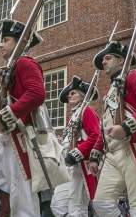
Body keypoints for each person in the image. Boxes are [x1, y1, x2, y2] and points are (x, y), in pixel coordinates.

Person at [0, 19, 47, 216]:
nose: (0, 44)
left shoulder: (24, 62)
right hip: (4, 141)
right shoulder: (12, 68)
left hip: (19, 140)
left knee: (23, 205)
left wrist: (3, 118)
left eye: (6, 40)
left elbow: (37, 93)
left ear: (20, 42)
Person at [86, 41, 136, 216]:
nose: (103, 62)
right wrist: (95, 155)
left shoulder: (133, 76)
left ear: (121, 60)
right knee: (101, 203)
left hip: (134, 148)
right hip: (112, 153)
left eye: (108, 58)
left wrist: (126, 127)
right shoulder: (111, 91)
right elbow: (104, 127)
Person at [50, 76, 100, 217]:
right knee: (57, 204)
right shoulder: (74, 116)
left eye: (74, 93)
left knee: (76, 206)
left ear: (83, 95)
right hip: (68, 166)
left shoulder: (87, 111)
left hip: (80, 164)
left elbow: (95, 136)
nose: (70, 95)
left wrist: (76, 153)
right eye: (69, 94)